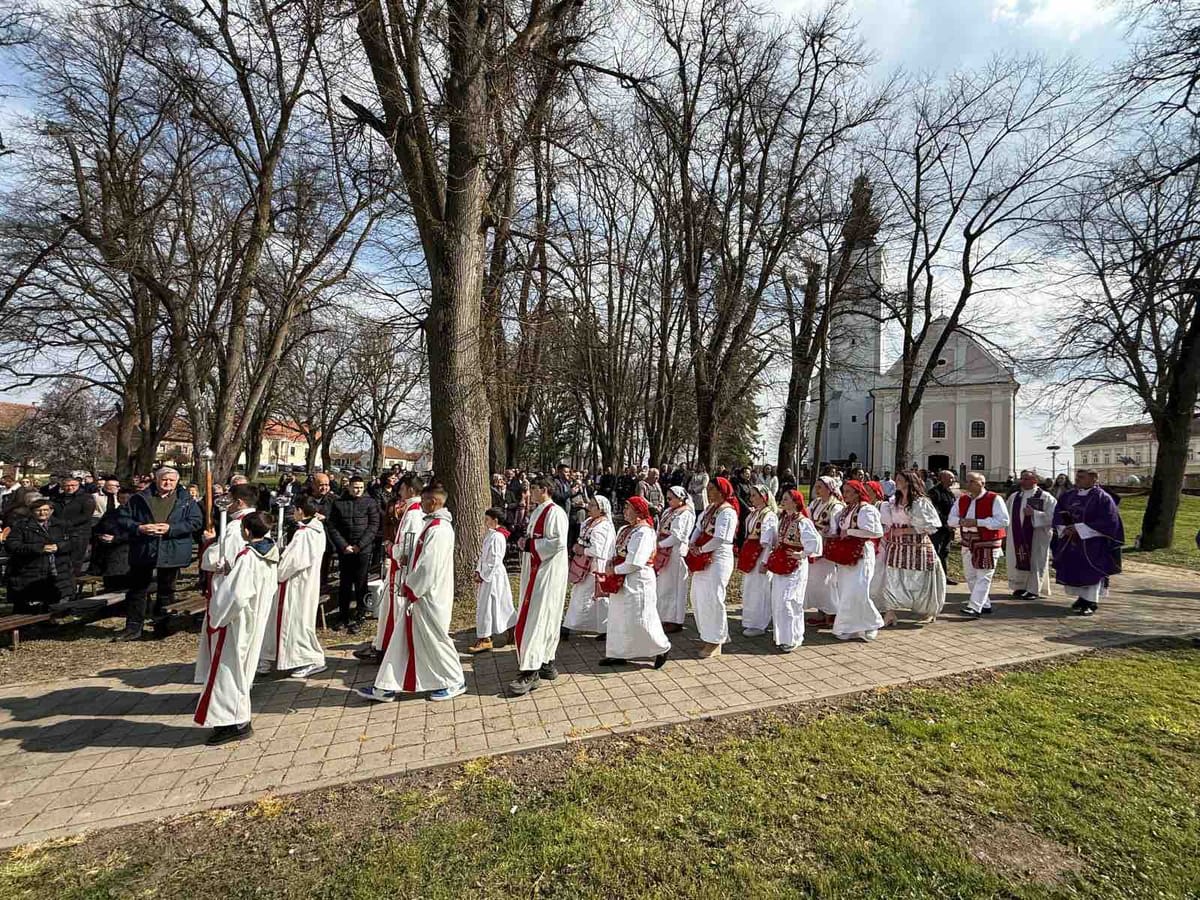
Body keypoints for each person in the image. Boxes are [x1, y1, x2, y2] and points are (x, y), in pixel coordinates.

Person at [358, 484, 466, 702]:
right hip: (421, 595)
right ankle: (386, 685)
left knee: (436, 640)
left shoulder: (439, 530)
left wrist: (412, 587)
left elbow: (429, 566)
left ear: (433, 502)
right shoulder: (432, 526)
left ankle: (454, 680)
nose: (420, 504)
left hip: (428, 596)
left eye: (424, 500)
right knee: (402, 641)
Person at [193, 512, 278, 745]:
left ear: (247, 532)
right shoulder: (270, 551)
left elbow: (237, 594)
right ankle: (237, 719)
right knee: (242, 670)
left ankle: (234, 722)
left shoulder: (249, 557)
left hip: (239, 621)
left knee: (229, 671)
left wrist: (218, 615)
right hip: (256, 617)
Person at [115, 466, 202, 642]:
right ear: (156, 479)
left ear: (177, 482)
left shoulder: (186, 501)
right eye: (164, 479)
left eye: (171, 480)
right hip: (144, 548)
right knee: (137, 590)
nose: (167, 483)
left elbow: (195, 522)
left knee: (166, 589)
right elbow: (123, 519)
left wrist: (171, 528)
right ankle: (133, 627)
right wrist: (139, 528)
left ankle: (163, 625)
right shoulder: (139, 499)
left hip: (171, 548)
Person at [510, 477, 569, 696]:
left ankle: (531, 670)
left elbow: (557, 543)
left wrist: (529, 544)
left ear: (544, 490)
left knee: (538, 617)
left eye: (533, 489)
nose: (529, 493)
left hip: (547, 573)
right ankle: (545, 660)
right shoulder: (538, 511)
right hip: (536, 570)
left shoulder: (555, 513)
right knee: (542, 616)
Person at [357, 477, 425, 663]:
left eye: (402, 488)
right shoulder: (410, 510)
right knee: (389, 609)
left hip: (401, 570)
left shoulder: (413, 514)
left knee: (395, 610)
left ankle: (392, 649)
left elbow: (407, 546)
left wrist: (390, 548)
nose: (399, 492)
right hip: (398, 567)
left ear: (411, 490)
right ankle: (384, 646)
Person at [258, 496, 327, 679]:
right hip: (298, 582)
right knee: (281, 621)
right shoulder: (313, 530)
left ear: (301, 511)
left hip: (297, 584)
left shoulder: (306, 534)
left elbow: (294, 561)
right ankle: (271, 657)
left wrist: (278, 570)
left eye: (295, 510)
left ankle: (311, 658)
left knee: (296, 622)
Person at [598, 496, 671, 669]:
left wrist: (613, 570)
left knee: (641, 617)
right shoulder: (625, 528)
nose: (624, 511)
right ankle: (619, 653)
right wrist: (610, 563)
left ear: (638, 512)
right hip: (620, 578)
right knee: (618, 618)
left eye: (627, 508)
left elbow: (635, 562)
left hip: (638, 581)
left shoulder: (644, 532)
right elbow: (616, 550)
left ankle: (661, 647)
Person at [196, 483, 259, 681]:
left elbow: (216, 560)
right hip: (248, 584)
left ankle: (226, 679)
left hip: (230, 587)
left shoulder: (235, 526)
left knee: (230, 638)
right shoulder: (256, 520)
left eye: (229, 500)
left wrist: (208, 542)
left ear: (238, 502)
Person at [877, 471, 946, 626]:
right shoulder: (894, 501)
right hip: (896, 546)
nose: (896, 481)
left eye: (900, 479)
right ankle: (890, 612)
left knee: (920, 580)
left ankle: (928, 611)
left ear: (908, 482)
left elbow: (931, 526)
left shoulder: (920, 502)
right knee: (892, 578)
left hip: (918, 545)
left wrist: (905, 530)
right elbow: (888, 522)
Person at [1052, 468, 1123, 616]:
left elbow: (1109, 520)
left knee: (1091, 570)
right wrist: (1064, 528)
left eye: (1082, 477)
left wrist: (1078, 528)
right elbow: (1058, 511)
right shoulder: (1069, 495)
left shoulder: (1102, 498)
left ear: (1094, 479)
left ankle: (1091, 601)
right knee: (1076, 569)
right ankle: (1081, 598)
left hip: (1092, 542)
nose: (1077, 480)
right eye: (1077, 477)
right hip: (1071, 541)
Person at [825, 480, 885, 642]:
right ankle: (847, 626)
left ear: (858, 492)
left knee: (858, 590)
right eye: (844, 491)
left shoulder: (867, 509)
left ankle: (871, 624)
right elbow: (839, 530)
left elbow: (875, 531)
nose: (845, 494)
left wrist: (850, 531)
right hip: (846, 555)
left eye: (849, 491)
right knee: (846, 592)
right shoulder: (845, 510)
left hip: (862, 554)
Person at [688, 477, 739, 658]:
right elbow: (698, 528)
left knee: (713, 597)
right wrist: (691, 544)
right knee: (697, 596)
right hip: (702, 556)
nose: (708, 492)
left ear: (721, 491)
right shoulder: (710, 509)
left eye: (711, 489)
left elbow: (720, 538)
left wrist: (700, 549)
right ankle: (709, 634)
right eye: (708, 488)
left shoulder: (728, 512)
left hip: (718, 558)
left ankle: (715, 641)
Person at [948, 472, 1010, 619]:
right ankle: (985, 604)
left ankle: (974, 607)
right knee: (970, 575)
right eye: (967, 481)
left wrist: (978, 522)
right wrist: (961, 521)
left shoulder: (994, 498)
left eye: (972, 481)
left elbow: (1003, 521)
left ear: (982, 483)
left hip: (988, 542)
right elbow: (951, 519)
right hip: (968, 541)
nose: (968, 484)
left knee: (984, 575)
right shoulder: (962, 499)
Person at [768, 490, 822, 652]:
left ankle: (793, 637)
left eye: (786, 499)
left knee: (790, 601)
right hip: (781, 563)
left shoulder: (803, 521)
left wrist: (803, 554)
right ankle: (782, 637)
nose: (782, 501)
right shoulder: (784, 519)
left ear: (795, 502)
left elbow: (815, 542)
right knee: (778, 600)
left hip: (795, 566)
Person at [326, 475, 380, 634]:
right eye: (355, 487)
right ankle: (343, 616)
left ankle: (360, 614)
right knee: (345, 583)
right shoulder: (338, 503)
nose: (358, 490)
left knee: (361, 582)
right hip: (345, 549)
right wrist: (344, 546)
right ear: (348, 487)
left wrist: (359, 545)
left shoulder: (370, 502)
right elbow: (333, 526)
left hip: (362, 549)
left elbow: (373, 525)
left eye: (361, 487)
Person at [562, 496, 616, 641]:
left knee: (598, 597)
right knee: (582, 595)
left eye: (593, 506)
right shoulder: (589, 522)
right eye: (590, 505)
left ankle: (569, 627)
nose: (589, 508)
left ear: (601, 509)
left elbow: (598, 550)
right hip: (584, 566)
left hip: (596, 567)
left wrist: (581, 550)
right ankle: (575, 625)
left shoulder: (604, 526)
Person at [5, 498, 73, 613]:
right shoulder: (21, 526)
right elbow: (12, 545)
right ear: (32, 512)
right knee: (26, 602)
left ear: (51, 511)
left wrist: (59, 547)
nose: (42, 513)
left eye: (46, 510)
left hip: (56, 567)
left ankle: (50, 619)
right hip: (29, 568)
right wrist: (39, 548)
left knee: (52, 598)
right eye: (38, 510)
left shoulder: (61, 525)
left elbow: (72, 542)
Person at [468, 508, 516, 654]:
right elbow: (484, 556)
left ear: (495, 520)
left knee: (487, 606)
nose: (485, 522)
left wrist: (483, 575)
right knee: (499, 605)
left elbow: (494, 559)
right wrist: (478, 570)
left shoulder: (497, 537)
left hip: (492, 577)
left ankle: (485, 638)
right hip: (489, 575)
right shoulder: (491, 535)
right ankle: (511, 628)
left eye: (488, 519)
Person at [1006, 469, 1057, 601]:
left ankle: (1034, 589)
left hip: (1038, 535)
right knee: (1017, 559)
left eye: (1026, 478)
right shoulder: (1015, 497)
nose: (1022, 481)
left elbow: (1053, 517)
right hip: (1016, 536)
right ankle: (1020, 586)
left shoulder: (1045, 497)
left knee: (1036, 561)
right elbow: (1006, 516)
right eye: (1022, 478)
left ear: (1035, 480)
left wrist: (1034, 514)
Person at [738, 483, 779, 638]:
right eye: (751, 495)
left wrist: (765, 562)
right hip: (751, 552)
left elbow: (768, 542)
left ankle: (759, 623)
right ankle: (750, 620)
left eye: (755, 495)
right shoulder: (755, 513)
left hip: (761, 554)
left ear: (764, 497)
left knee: (760, 589)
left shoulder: (768, 515)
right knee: (750, 587)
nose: (751, 498)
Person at [805, 477, 845, 628]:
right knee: (815, 581)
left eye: (820, 487)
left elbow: (837, 530)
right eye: (816, 486)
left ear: (829, 488)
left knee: (827, 581)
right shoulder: (815, 503)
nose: (817, 489)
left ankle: (832, 613)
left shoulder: (836, 506)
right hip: (815, 547)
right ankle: (821, 612)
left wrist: (825, 532)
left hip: (828, 549)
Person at [655, 486, 695, 633]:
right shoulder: (669, 511)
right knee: (664, 586)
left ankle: (675, 620)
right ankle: (664, 616)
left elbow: (678, 536)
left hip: (676, 552)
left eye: (671, 498)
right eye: (667, 498)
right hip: (664, 551)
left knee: (675, 587)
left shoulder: (685, 513)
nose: (668, 501)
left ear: (681, 498)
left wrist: (659, 545)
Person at [52, 475, 95, 587]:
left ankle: (72, 586)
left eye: (73, 485)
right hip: (60, 533)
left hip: (79, 533)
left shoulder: (86, 498)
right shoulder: (57, 498)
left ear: (78, 485)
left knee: (75, 561)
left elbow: (86, 516)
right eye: (67, 486)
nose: (70, 488)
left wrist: (67, 523)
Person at [90, 487, 133, 592]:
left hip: (127, 553)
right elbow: (98, 528)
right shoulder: (111, 513)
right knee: (110, 586)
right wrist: (100, 536)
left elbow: (137, 532)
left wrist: (116, 538)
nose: (124, 501)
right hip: (108, 555)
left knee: (124, 588)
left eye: (127, 498)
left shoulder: (137, 515)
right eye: (122, 498)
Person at [927, 470, 958, 585]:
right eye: (950, 478)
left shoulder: (950, 492)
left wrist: (954, 523)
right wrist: (947, 523)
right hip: (938, 529)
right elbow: (935, 511)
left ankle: (944, 576)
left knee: (945, 552)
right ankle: (934, 577)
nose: (953, 480)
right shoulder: (934, 492)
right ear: (942, 478)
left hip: (948, 529)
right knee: (936, 551)